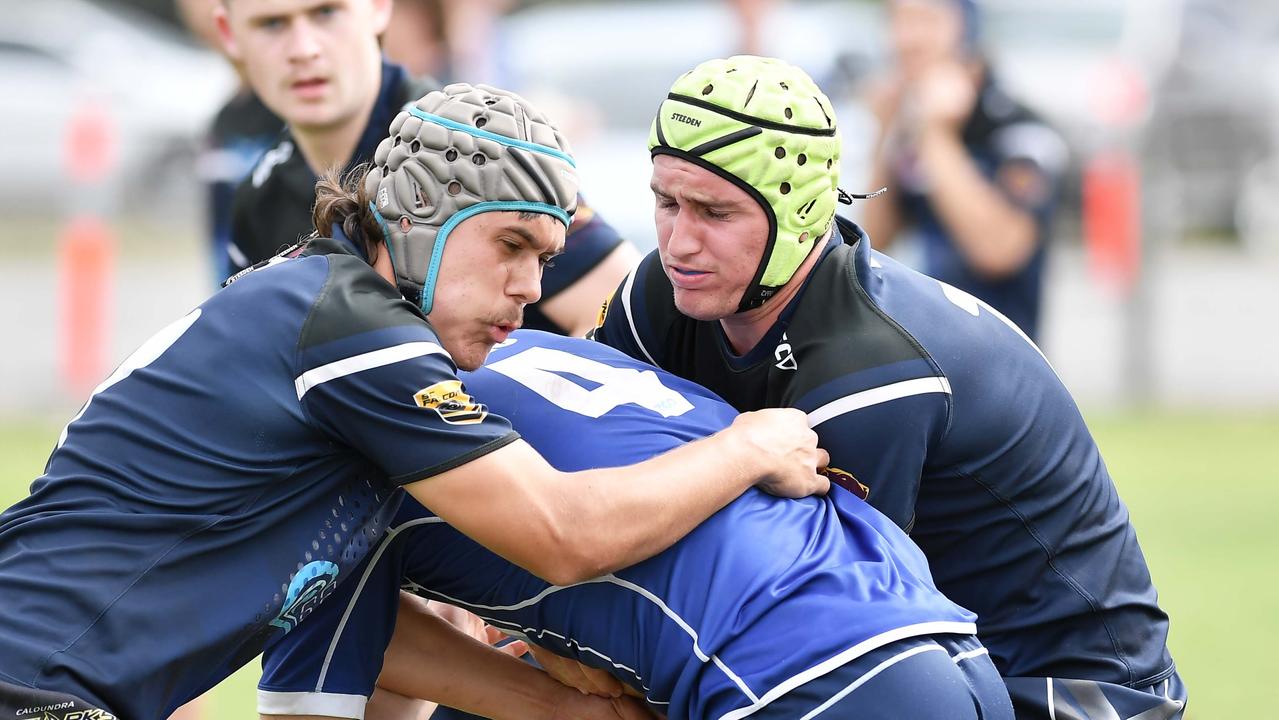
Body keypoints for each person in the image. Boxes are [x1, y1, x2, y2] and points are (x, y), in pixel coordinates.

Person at [0, 84, 828, 720]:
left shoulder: (323, 299)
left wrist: (561, 708)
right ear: (418, 215)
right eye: (509, 244)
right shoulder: (357, 329)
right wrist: (747, 448)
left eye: (545, 258)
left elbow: (366, 612)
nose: (530, 288)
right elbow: (562, 534)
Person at [591, 55, 1186, 720]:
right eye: (666, 202)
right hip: (938, 667)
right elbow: (587, 462)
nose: (679, 241)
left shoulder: (866, 371)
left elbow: (797, 618)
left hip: (1071, 693)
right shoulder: (659, 296)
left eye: (714, 211)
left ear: (799, 212)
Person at [256, 330, 1014, 720]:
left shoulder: (342, 457)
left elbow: (319, 688)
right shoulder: (506, 349)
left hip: (800, 679)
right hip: (941, 642)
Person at [213, 0, 637, 335]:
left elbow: (621, 315)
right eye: (272, 23)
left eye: (327, 11)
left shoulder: (468, 145)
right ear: (229, 34)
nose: (304, 48)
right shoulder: (258, 196)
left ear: (379, 6)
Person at [860, 0, 1067, 340]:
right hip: (933, 349)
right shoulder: (914, 126)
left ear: (966, 30)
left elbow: (999, 250)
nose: (905, 39)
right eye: (896, 20)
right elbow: (874, 242)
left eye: (924, 21)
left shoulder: (1020, 130)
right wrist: (886, 132)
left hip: (1004, 360)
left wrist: (939, 136)